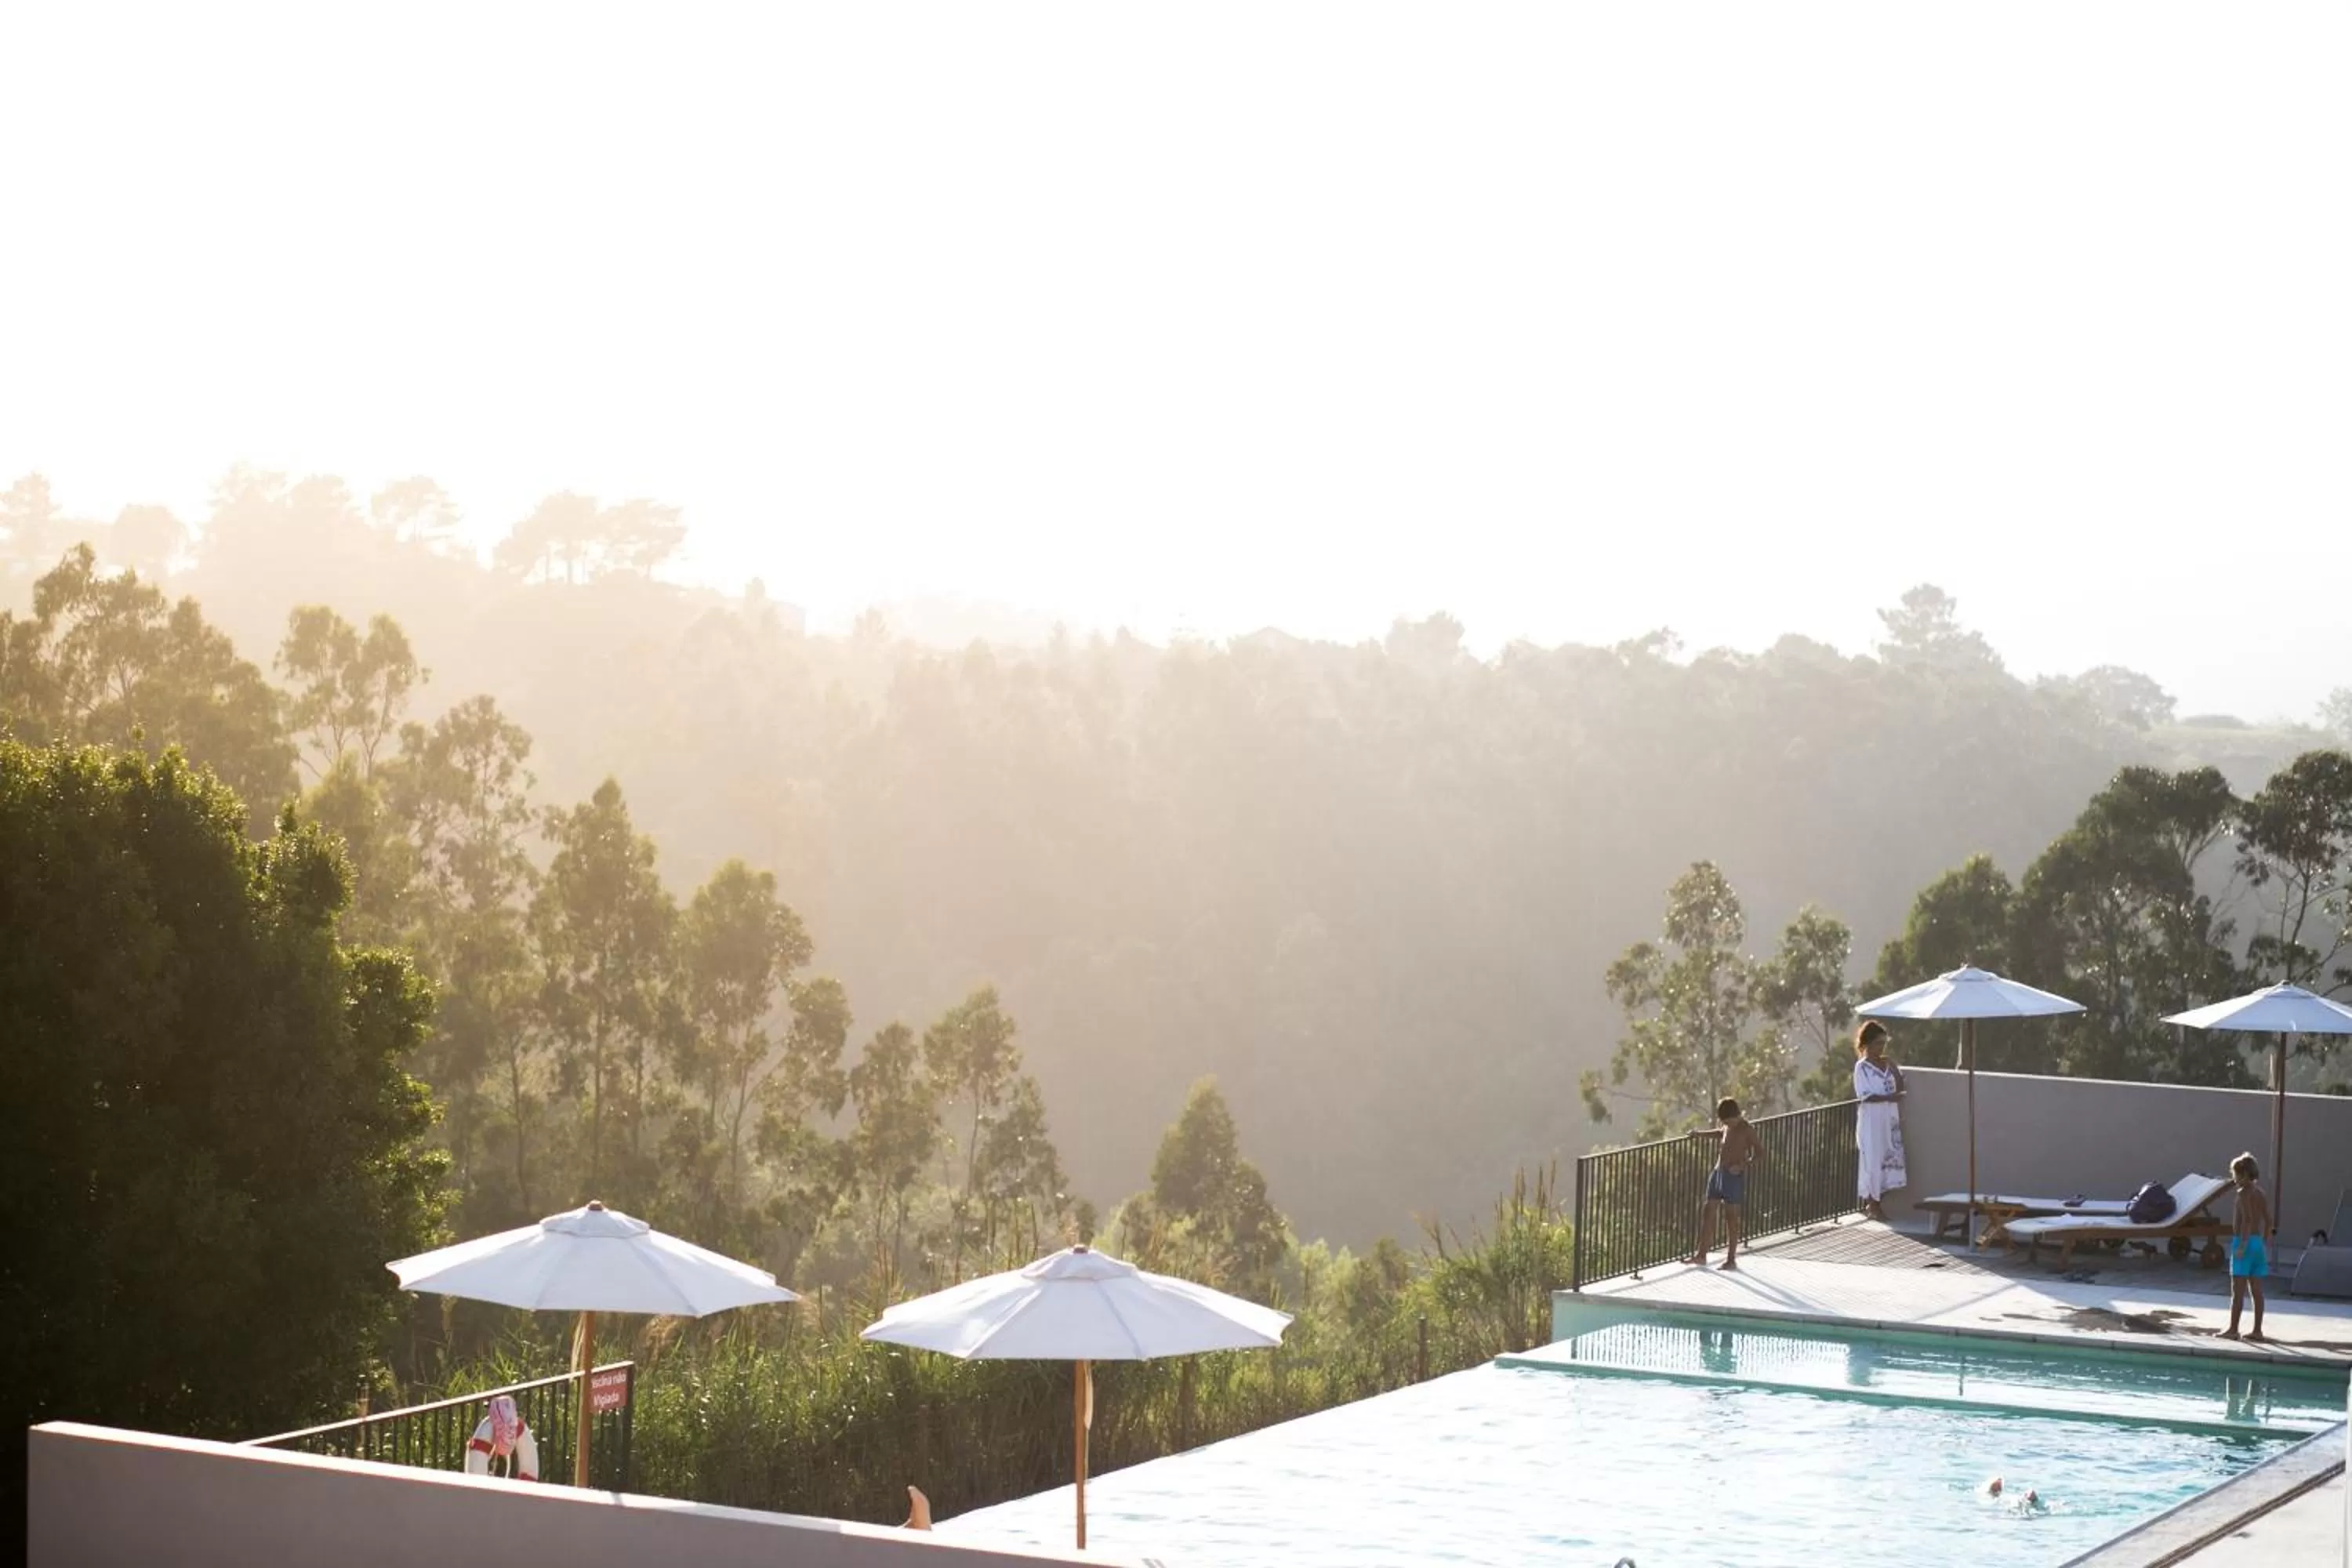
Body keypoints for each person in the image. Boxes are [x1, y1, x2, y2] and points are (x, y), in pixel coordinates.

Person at [1690, 1098, 1762, 1271]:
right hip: (1718, 1173)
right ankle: (1701, 1255)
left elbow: (1760, 1153)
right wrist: (1699, 1134)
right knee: (1708, 1212)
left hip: (1733, 1177)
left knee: (1731, 1219)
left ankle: (1731, 1259)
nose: (1727, 1124)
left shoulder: (1747, 1130)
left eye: (1728, 1120)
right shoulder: (1727, 1126)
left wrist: (1743, 1166)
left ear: (1735, 1115)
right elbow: (1719, 1133)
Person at [1853, 1021, 1907, 1222]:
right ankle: (1873, 1205)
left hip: (1889, 1119)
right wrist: (1888, 1098)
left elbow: (1900, 1087)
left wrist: (1893, 1068)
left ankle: (1875, 1202)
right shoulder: (1862, 1068)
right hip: (1872, 1121)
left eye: (1884, 1043)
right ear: (1867, 1044)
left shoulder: (1886, 1064)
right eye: (1877, 1043)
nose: (1881, 1048)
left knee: (1891, 1160)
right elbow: (1865, 1096)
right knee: (1873, 1161)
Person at [2223, 1152, 2270, 1343]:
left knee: (2238, 1290)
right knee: (2257, 1291)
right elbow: (2269, 1220)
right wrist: (2264, 1242)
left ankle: (2233, 1329)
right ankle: (2257, 1330)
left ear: (2242, 1175)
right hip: (2258, 1243)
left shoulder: (2243, 1194)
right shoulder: (2261, 1193)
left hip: (2244, 1241)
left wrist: (2242, 1245)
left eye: (2235, 1174)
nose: (2234, 1178)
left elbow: (2248, 1220)